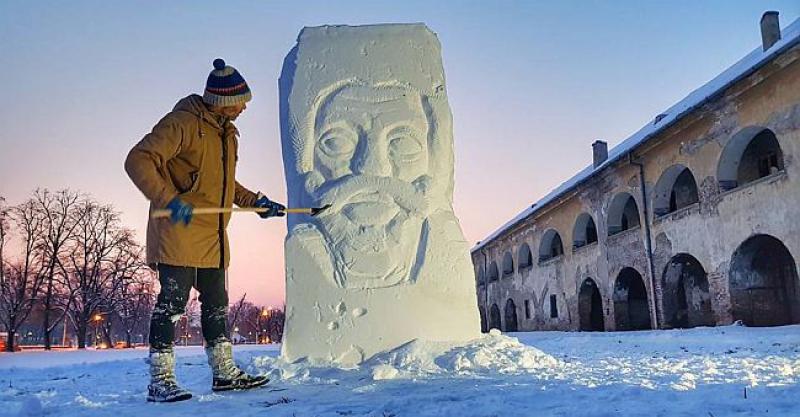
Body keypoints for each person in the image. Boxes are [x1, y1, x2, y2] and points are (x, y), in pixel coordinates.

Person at [125, 58, 285, 402]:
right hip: (178, 231)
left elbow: (223, 185)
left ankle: (225, 374)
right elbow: (138, 159)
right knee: (172, 305)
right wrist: (168, 199)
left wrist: (257, 202)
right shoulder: (183, 123)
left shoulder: (225, 133)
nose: (244, 107)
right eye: (241, 101)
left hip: (213, 237)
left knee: (216, 306)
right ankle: (160, 380)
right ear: (223, 101)